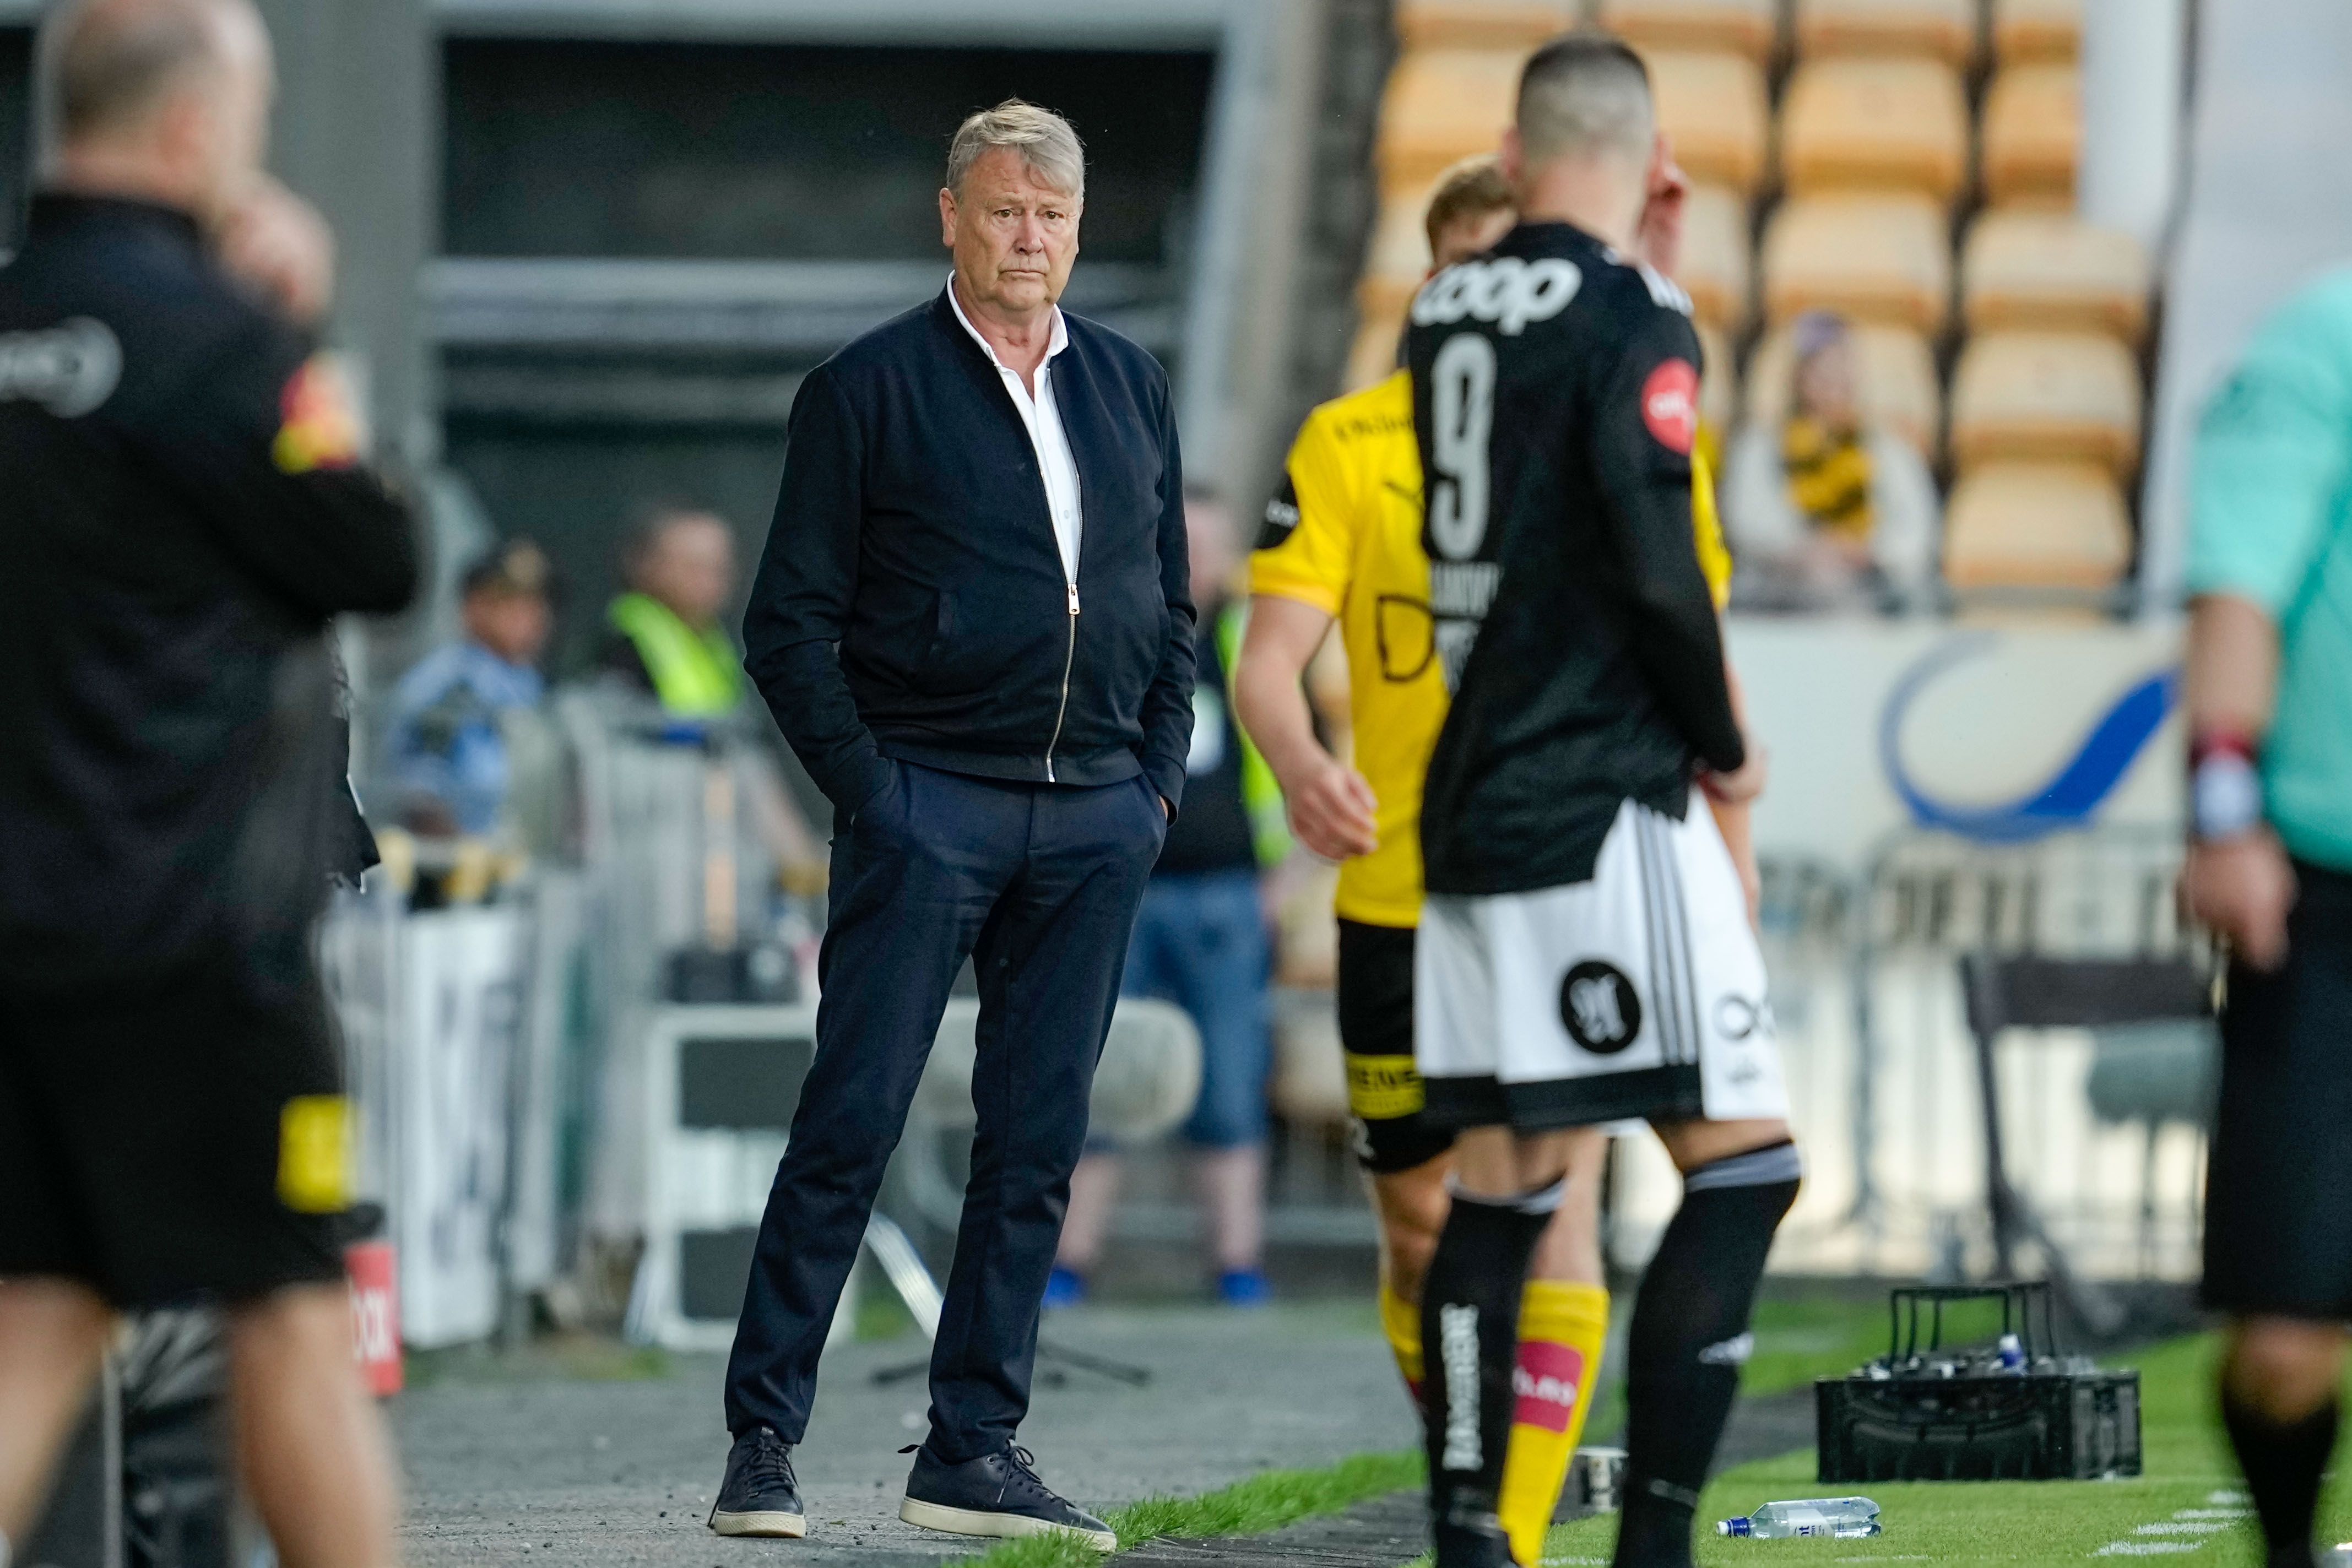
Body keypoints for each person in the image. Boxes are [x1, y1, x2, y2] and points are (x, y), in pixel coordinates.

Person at [1235, 147, 1746, 1568]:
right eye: (1468, 272)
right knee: (1419, 1224)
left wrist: (1731, 834)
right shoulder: (1352, 439)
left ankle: (1502, 1533)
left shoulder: (1612, 423)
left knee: (1552, 1204)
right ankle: (1475, 1479)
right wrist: (1301, 764)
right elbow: (1269, 659)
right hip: (1397, 886)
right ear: (1434, 282)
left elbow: (1695, 633)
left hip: (1558, 872)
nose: (1496, 301)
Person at [719, 100, 1193, 1549]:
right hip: (927, 802)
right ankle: (761, 1439)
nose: (1027, 237)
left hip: (1092, 814)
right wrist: (876, 791)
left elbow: (1170, 601)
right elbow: (786, 624)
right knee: (851, 1117)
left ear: (1077, 228)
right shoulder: (866, 388)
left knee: (1035, 1139)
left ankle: (973, 1445)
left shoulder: (1127, 382)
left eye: (1051, 214)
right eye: (1002, 210)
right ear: (950, 218)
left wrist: (1150, 783)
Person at [0, 4, 419, 1567]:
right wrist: (298, 332)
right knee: (292, 1311)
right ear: (192, 128)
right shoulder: (222, 342)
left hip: (16, 933)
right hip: (196, 944)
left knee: (39, 1308)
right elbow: (375, 553)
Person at [1397, 37, 1795, 1568]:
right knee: (1744, 1165)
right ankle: (1657, 1542)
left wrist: (1649, 273)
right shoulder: (1633, 314)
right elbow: (1654, 554)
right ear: (1651, 158)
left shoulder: (1442, 308)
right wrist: (1722, 746)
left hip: (1471, 801)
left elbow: (1545, 461)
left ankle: (1464, 1532)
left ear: (1512, 150)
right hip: (1603, 799)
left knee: (1501, 1189)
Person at [2180, 271, 2352, 1568]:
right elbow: (2237, 586)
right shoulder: (2321, 338)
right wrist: (2222, 806)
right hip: (2321, 894)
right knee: (2286, 1348)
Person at [1050, 490, 1289, 1310]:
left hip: (1225, 896)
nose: (1197, 560)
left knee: (1228, 1079)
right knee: (1097, 1072)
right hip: (1120, 890)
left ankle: (1236, 1265)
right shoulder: (1115, 631)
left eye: (1210, 545)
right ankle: (1067, 1262)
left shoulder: (1255, 639)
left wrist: (1283, 887)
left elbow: (1307, 764)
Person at [1721, 310, 1939, 614]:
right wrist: (1810, 549)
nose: (1833, 380)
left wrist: (1865, 552)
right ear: (1799, 377)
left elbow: (1914, 535)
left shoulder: (1889, 449)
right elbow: (1750, 525)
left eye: (1841, 367)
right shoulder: (1761, 446)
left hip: (1872, 591)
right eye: (1821, 370)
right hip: (1783, 591)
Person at [384, 538, 553, 838]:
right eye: (509, 601)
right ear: (473, 606)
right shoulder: (446, 684)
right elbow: (421, 801)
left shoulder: (530, 685)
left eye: (535, 602)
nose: (528, 616)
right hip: (456, 859)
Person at [602, 504, 746, 718]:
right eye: (695, 566)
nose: (712, 580)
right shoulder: (623, 641)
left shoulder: (715, 638)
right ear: (648, 566)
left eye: (721, 568)